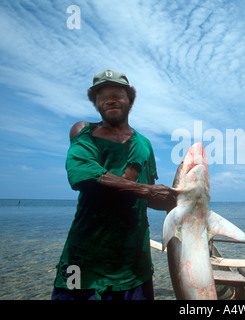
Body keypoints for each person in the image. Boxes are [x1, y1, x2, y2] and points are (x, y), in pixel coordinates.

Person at [52, 69, 177, 300]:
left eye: (118, 94)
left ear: (130, 100)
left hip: (133, 266)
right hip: (82, 260)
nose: (110, 99)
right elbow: (86, 177)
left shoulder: (144, 145)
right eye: (103, 95)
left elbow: (145, 200)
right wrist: (146, 189)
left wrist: (180, 204)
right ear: (95, 102)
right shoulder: (83, 132)